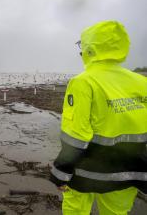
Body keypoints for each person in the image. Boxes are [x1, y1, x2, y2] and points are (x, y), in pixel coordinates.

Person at [50, 20, 147, 215]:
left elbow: (75, 136)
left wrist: (60, 174)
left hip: (86, 173)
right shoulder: (141, 82)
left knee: (75, 210)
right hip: (129, 172)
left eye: (82, 46)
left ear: (90, 49)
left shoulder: (83, 82)